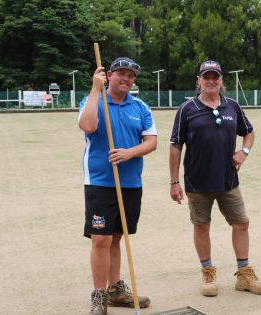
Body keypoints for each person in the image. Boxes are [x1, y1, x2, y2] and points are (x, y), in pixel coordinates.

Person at [169, 60, 261, 297]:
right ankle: (207, 272)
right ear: (199, 80)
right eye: (207, 77)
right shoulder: (187, 109)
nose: (211, 81)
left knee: (241, 223)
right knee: (202, 226)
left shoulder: (232, 106)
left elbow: (249, 132)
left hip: (228, 181)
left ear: (221, 80)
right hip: (197, 182)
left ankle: (244, 274)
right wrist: (174, 182)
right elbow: (176, 146)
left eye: (215, 77)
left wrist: (243, 152)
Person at [78, 57, 157, 314]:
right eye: (121, 73)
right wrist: (94, 90)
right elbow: (87, 125)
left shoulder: (141, 106)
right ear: (109, 75)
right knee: (100, 239)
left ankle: (115, 290)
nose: (126, 78)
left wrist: (129, 153)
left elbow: (151, 142)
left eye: (131, 75)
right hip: (101, 183)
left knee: (116, 238)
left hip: (131, 183)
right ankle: (99, 295)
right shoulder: (93, 102)